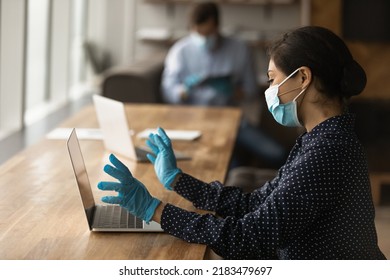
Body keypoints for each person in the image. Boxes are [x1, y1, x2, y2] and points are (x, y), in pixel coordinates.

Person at [97, 26, 386, 259]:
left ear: (303, 78)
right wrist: (177, 180)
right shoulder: (320, 139)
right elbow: (255, 203)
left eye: (273, 80)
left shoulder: (328, 151)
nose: (270, 90)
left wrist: (155, 210)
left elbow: (249, 239)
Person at [161, 1, 287, 168]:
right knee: (228, 166)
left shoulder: (239, 49)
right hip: (193, 119)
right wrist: (185, 90)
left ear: (217, 26)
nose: (204, 38)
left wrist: (232, 90)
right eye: (199, 33)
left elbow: (250, 91)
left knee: (277, 153)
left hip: (231, 118)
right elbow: (168, 90)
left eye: (208, 33)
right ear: (191, 28)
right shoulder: (180, 51)